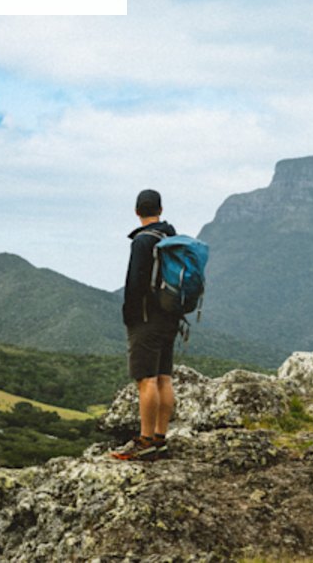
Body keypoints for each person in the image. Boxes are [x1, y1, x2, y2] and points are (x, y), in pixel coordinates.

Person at [111, 189, 180, 461]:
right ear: (160, 210)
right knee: (164, 377)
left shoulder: (142, 241)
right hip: (171, 316)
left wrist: (130, 315)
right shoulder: (171, 237)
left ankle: (145, 440)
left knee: (146, 380)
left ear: (137, 211)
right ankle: (161, 437)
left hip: (147, 319)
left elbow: (135, 283)